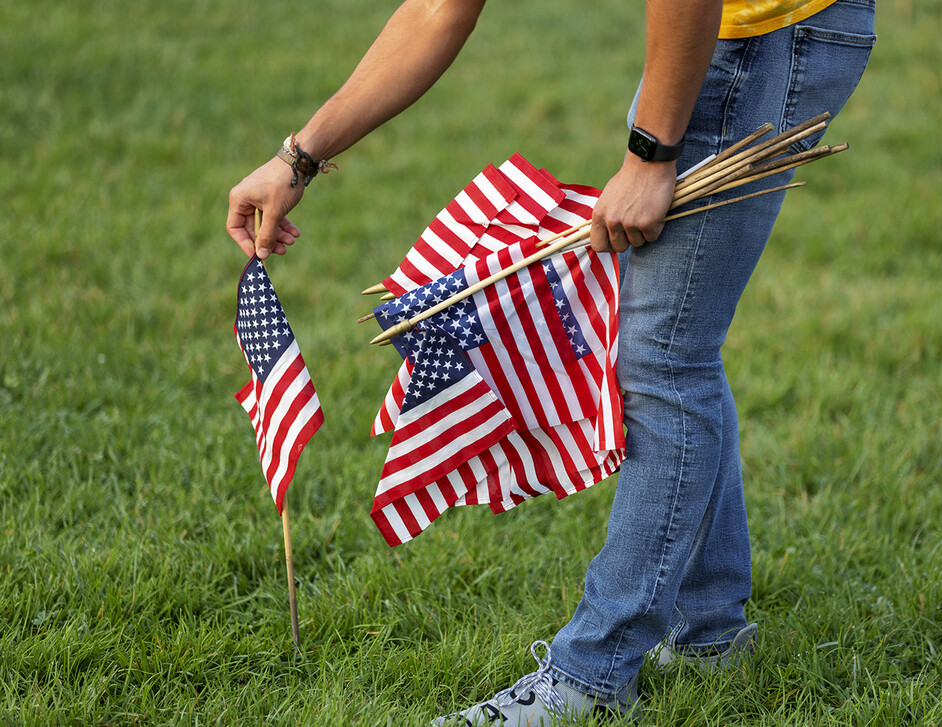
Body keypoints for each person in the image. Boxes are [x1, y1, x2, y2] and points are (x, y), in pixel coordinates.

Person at [227, 0, 875, 723]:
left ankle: (593, 677)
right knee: (672, 343)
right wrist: (299, 157)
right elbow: (439, 10)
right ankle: (709, 631)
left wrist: (651, 156)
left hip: (760, 35)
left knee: (662, 356)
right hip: (735, 36)